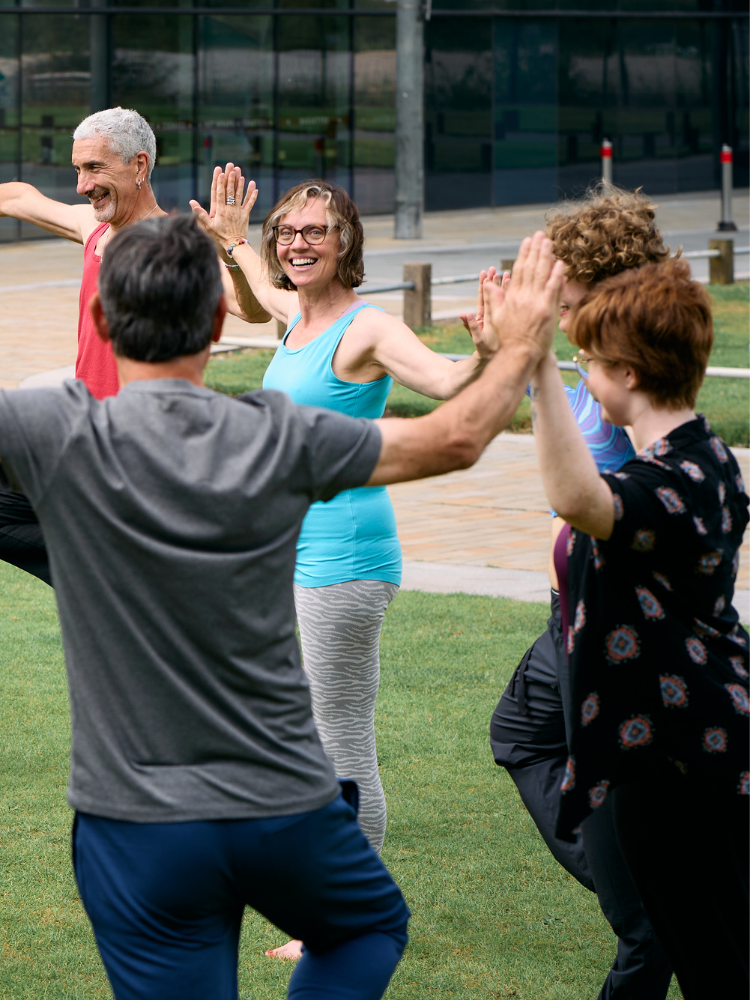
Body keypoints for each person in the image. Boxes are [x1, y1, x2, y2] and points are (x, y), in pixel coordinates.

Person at [0, 217, 564, 999]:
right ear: (221, 319)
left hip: (136, 824)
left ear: (99, 319)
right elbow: (458, 438)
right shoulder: (280, 436)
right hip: (282, 807)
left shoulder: (49, 431)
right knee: (367, 928)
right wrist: (521, 342)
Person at [191, 173, 499, 957]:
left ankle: (345, 913)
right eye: (288, 231)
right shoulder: (300, 315)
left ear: (346, 243)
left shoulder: (367, 329)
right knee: (302, 734)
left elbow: (442, 380)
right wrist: (232, 241)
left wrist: (493, 351)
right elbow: (259, 294)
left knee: (341, 741)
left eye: (315, 232)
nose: (297, 242)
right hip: (293, 558)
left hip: (347, 561)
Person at [524, 257, 749, 999]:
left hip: (676, 762)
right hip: (692, 745)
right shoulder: (707, 457)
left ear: (628, 371)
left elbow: (576, 494)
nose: (583, 375)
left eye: (588, 362)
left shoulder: (670, 484)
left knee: (715, 964)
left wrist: (535, 362)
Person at [484, 187, 677, 1000]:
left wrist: (526, 364)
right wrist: (527, 367)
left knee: (648, 928)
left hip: (616, 633)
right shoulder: (611, 355)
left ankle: (655, 905)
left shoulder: (642, 365)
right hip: (583, 613)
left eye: (565, 296)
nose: (558, 311)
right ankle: (655, 895)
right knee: (518, 729)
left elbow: (596, 487)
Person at [0, 106, 269, 587]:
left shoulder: (174, 244)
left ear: (139, 166)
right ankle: (105, 566)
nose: (82, 185)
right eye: (78, 170)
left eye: (94, 169)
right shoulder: (95, 228)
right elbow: (19, 197)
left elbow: (253, 311)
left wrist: (231, 249)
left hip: (138, 453)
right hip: (85, 443)